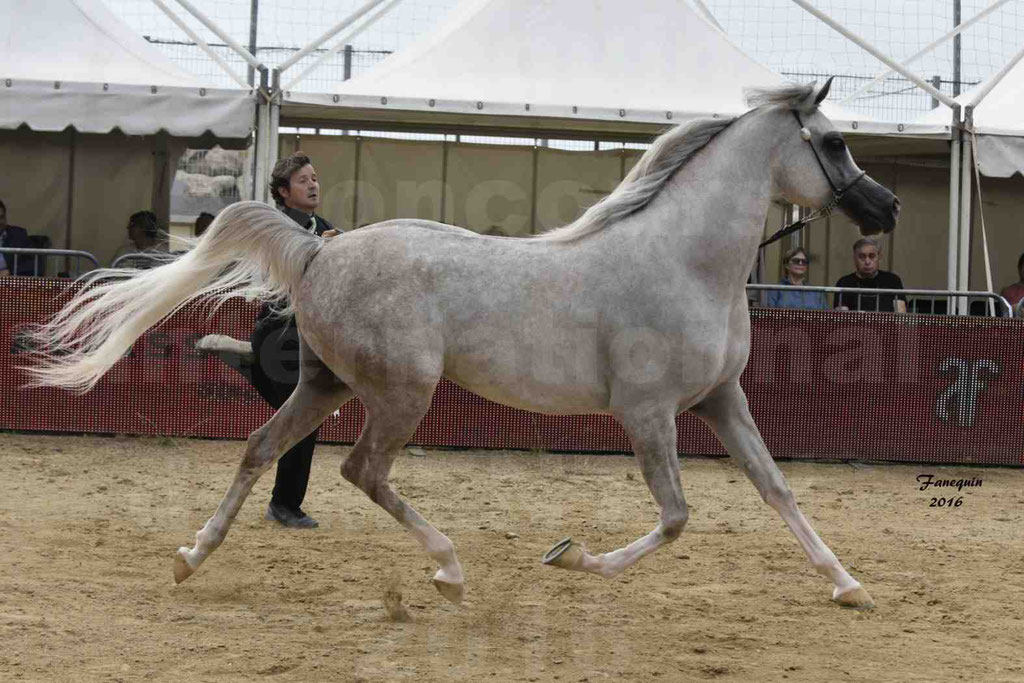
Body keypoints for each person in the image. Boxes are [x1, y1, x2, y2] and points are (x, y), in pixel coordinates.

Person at [251, 152, 340, 528]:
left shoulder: (325, 227)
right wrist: (322, 247)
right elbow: (287, 274)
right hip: (278, 336)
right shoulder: (276, 228)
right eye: (304, 180)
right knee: (302, 418)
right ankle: (283, 505)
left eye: (315, 178)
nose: (314, 184)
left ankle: (283, 502)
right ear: (284, 192)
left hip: (308, 336)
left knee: (302, 419)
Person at [833, 237, 907, 313]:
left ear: (879, 258)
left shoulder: (892, 280)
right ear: (855, 259)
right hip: (855, 325)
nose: (867, 262)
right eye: (862, 257)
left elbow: (901, 316)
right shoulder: (844, 282)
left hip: (886, 324)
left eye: (871, 256)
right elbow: (842, 319)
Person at [0, 199, 33, 275]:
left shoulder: (18, 235)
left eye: (1, 217)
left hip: (10, 281)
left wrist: (9, 272)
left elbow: (31, 264)